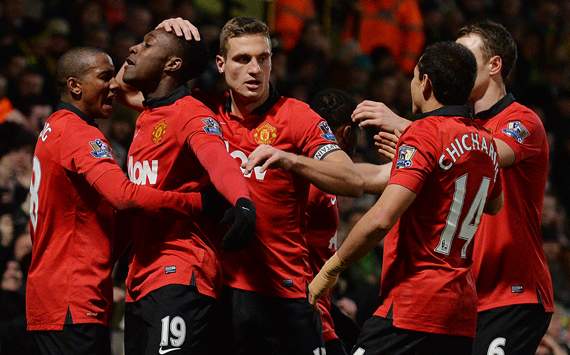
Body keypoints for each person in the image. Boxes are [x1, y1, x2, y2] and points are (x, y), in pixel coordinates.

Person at [156, 16, 363, 355]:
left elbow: (351, 181)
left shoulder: (297, 117)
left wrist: (290, 159)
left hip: (284, 292)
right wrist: (166, 29)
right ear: (221, 64)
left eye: (262, 58)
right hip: (220, 291)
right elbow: (125, 87)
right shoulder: (200, 111)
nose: (255, 69)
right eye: (242, 59)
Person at [354, 21, 554, 355]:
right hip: (462, 296)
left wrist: (408, 129)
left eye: (466, 55)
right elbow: (374, 177)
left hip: (513, 292)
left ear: (494, 65)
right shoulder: (456, 128)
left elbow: (488, 152)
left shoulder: (523, 121)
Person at [309, 41, 503, 354]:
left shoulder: (424, 133)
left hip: (414, 305)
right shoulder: (486, 143)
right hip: (461, 313)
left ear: (425, 82)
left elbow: (381, 218)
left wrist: (330, 269)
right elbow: (495, 203)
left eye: (413, 77)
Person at [26, 47, 212, 355]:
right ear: (74, 85)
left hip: (54, 297)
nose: (114, 85)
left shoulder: (54, 128)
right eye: (104, 77)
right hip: (74, 298)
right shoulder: (79, 134)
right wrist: (195, 202)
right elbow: (123, 196)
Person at [119, 28, 255, 355]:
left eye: (146, 44)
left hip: (181, 273)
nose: (134, 48)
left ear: (171, 64)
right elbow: (119, 81)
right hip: (140, 279)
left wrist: (243, 201)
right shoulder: (150, 112)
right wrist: (167, 24)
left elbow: (219, 160)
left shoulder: (190, 113)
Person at [307, 89, 359, 355]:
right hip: (305, 311)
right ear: (347, 133)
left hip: (322, 308)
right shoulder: (310, 180)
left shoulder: (321, 174)